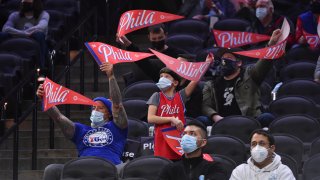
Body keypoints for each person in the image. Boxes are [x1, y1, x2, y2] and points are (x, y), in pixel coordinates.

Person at [38, 62, 128, 180]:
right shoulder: (82, 130)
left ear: (109, 114)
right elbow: (58, 118)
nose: (95, 110)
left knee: (124, 168)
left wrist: (111, 77)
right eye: (93, 108)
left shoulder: (117, 127)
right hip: (82, 168)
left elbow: (117, 105)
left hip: (109, 168)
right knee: (52, 169)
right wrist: (45, 99)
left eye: (100, 108)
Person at [202, 29, 282, 127]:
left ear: (239, 63)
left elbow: (264, 63)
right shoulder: (212, 84)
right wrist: (215, 117)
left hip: (248, 121)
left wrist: (271, 43)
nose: (224, 61)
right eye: (223, 58)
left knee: (266, 117)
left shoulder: (250, 74)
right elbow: (206, 105)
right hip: (222, 122)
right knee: (202, 120)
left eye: (229, 58)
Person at [158, 120, 227, 180]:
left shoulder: (214, 168)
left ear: (203, 142)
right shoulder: (170, 169)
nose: (186, 137)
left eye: (192, 134)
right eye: (184, 134)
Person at [230, 129, 296, 180]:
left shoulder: (283, 171)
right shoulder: (240, 170)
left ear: (272, 148)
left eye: (262, 143)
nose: (257, 148)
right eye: (254, 144)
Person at [1, 0, 49, 68]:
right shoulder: (14, 15)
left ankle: (42, 69)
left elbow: (41, 27)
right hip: (17, 42)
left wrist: (20, 33)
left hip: (35, 43)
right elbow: (5, 28)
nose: (24, 2)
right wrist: (24, 33)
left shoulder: (44, 14)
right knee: (2, 34)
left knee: (39, 35)